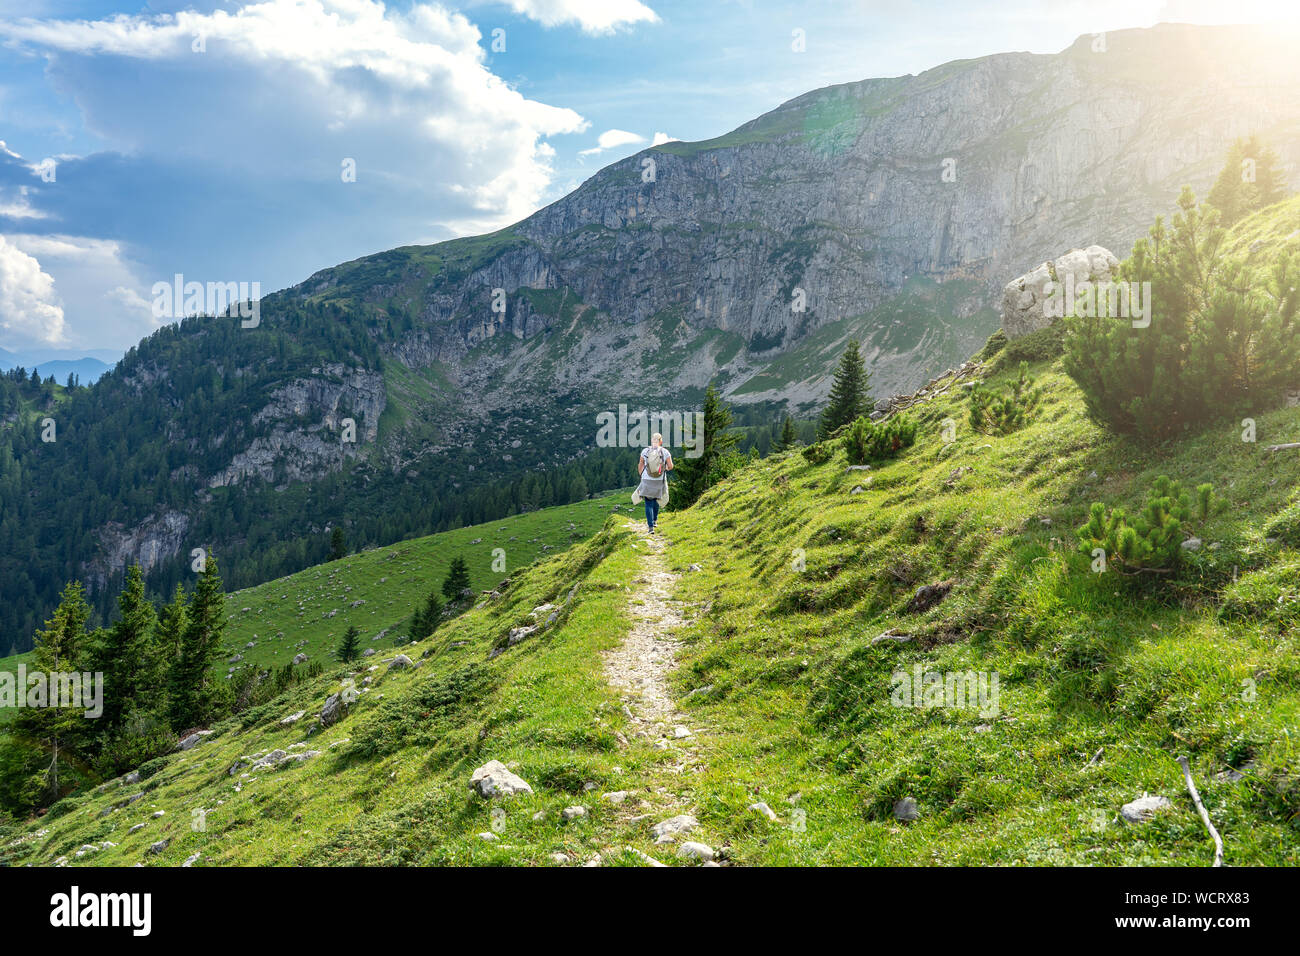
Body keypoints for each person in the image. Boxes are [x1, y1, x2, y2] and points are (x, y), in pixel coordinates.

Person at [635, 433, 674, 533]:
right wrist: (665, 468)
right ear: (661, 441)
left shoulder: (645, 451)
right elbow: (670, 466)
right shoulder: (665, 452)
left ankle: (650, 527)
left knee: (648, 502)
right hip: (659, 480)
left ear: (652, 441)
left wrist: (641, 474)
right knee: (657, 499)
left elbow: (641, 463)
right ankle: (655, 520)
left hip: (647, 480)